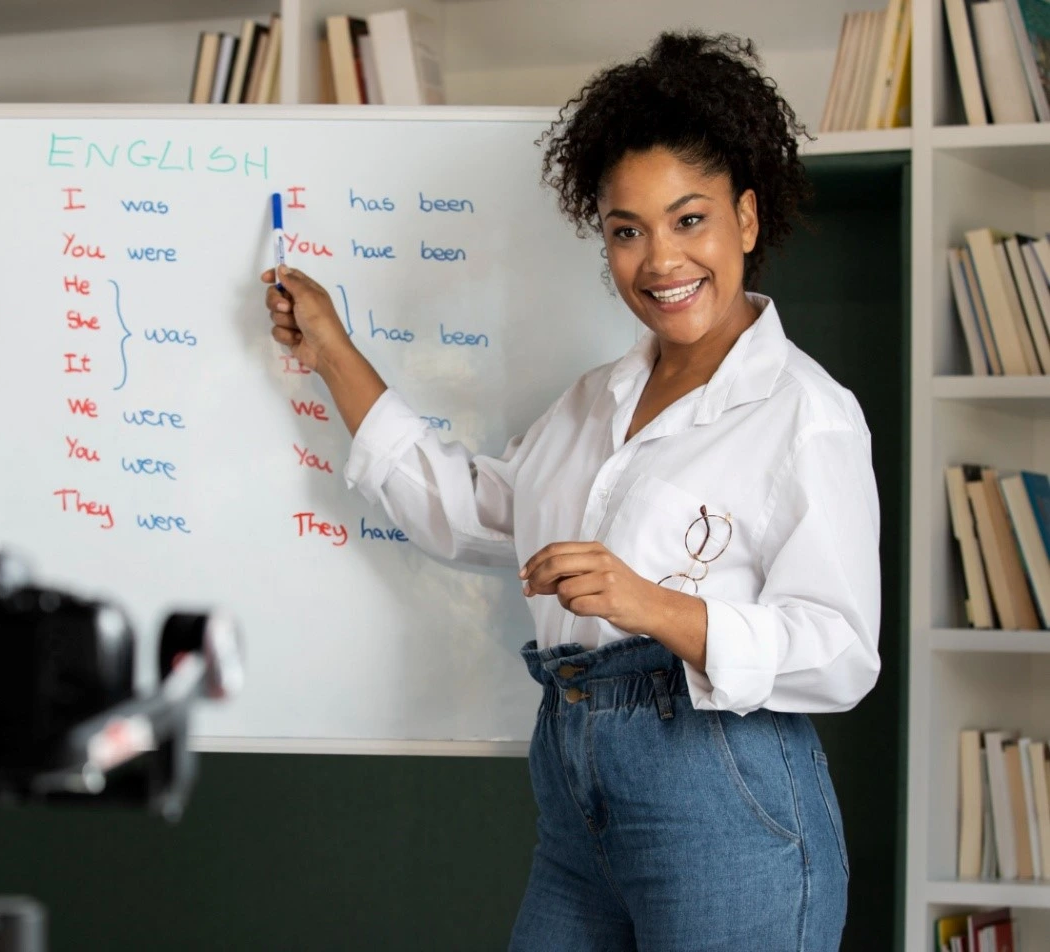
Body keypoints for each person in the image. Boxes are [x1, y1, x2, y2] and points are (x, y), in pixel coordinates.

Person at [260, 29, 880, 952]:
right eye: (627, 232)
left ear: (747, 219)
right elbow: (468, 511)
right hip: (576, 791)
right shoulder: (595, 402)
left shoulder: (804, 413)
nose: (660, 261)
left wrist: (650, 604)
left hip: (726, 800)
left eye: (689, 219)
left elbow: (840, 653)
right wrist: (332, 351)